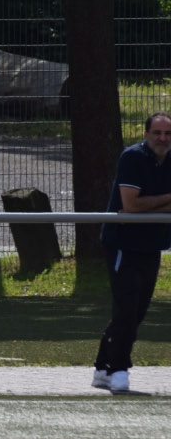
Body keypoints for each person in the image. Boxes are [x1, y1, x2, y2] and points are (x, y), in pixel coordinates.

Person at [92, 110, 171, 394]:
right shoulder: (133, 157)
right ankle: (119, 370)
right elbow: (131, 205)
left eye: (168, 134)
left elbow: (138, 206)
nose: (162, 138)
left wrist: (150, 205)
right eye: (157, 133)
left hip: (152, 244)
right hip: (122, 244)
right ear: (146, 134)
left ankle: (102, 367)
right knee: (126, 308)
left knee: (136, 311)